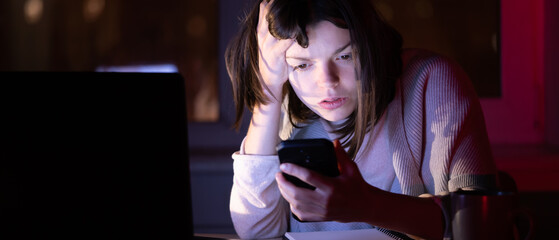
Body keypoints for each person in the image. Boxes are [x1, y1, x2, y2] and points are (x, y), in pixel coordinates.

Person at [225, 0, 498, 239]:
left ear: (369, 45)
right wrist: (268, 96)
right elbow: (257, 231)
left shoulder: (431, 81)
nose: (327, 83)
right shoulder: (286, 103)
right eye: (302, 64)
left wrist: (366, 205)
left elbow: (480, 227)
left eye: (345, 55)